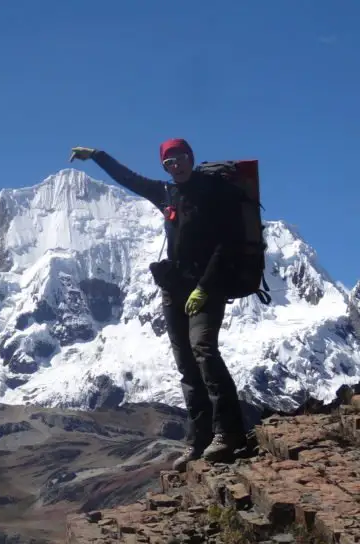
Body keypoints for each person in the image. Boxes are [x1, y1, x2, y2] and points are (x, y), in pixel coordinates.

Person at [69, 139, 248, 471]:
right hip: (174, 290)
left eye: (180, 159)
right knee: (187, 367)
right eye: (169, 162)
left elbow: (228, 244)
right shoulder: (166, 194)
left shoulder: (212, 192)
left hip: (208, 287)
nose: (176, 166)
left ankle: (230, 432)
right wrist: (97, 156)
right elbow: (129, 179)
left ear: (191, 159)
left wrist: (205, 288)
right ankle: (199, 441)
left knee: (203, 348)